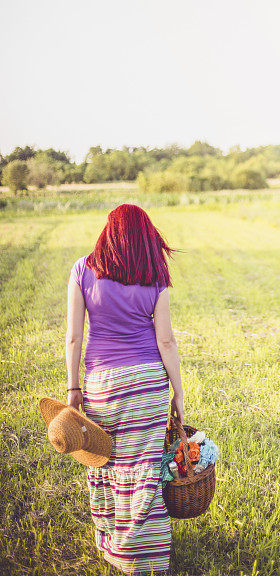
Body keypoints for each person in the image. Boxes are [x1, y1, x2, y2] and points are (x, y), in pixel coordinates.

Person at [65, 203, 184, 574]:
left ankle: (113, 544)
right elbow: (166, 341)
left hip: (103, 384)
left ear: (108, 232)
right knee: (144, 465)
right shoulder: (156, 275)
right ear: (147, 237)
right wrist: (178, 393)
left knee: (107, 461)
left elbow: (73, 338)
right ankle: (142, 554)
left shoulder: (83, 270)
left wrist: (73, 389)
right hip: (148, 383)